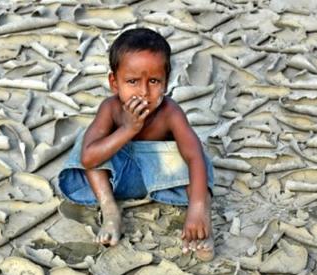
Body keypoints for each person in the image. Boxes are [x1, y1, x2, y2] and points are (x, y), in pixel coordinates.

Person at [58, 27, 215, 261]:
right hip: (118, 179)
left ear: (166, 81)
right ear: (114, 82)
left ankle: (203, 223)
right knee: (88, 141)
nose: (143, 92)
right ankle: (110, 210)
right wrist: (128, 129)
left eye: (153, 81)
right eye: (132, 81)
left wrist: (198, 206)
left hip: (160, 179)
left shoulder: (170, 112)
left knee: (197, 156)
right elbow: (89, 159)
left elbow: (193, 157)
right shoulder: (110, 109)